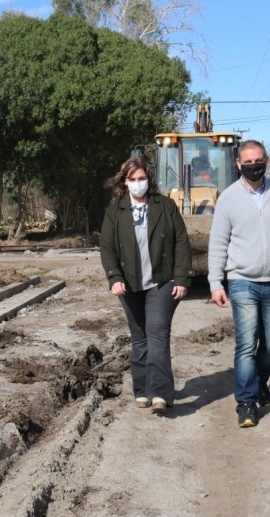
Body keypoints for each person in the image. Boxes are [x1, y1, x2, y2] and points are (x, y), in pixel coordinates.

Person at [207, 140, 270, 428]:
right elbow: (218, 243)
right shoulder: (228, 198)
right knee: (246, 344)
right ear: (238, 164)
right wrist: (215, 282)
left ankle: (260, 383)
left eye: (258, 161)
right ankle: (246, 403)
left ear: (266, 161)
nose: (254, 166)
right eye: (248, 162)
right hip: (242, 281)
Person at [99, 156, 194, 415]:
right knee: (139, 337)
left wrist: (182, 278)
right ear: (125, 181)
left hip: (161, 281)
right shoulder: (115, 210)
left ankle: (160, 393)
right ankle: (141, 389)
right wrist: (114, 277)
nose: (138, 183)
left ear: (149, 180)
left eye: (142, 178)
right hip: (128, 284)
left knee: (157, 333)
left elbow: (181, 241)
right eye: (132, 179)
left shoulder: (165, 206)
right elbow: (107, 247)